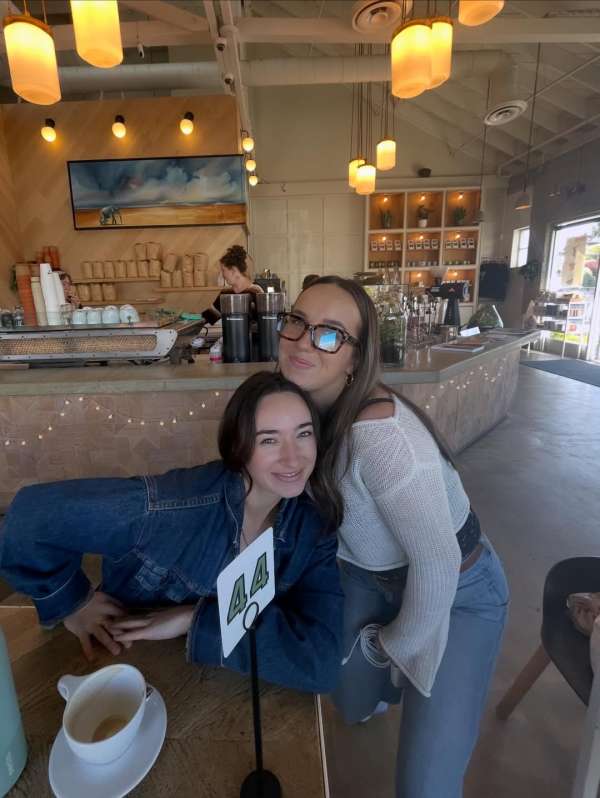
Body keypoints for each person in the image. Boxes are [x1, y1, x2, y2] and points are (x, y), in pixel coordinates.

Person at [277, 275, 509, 797]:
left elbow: (437, 565)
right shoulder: (299, 407)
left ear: (356, 358)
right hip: (367, 576)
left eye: (329, 334)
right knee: (347, 699)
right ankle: (377, 691)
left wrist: (390, 645)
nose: (303, 342)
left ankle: (394, 675)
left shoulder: (383, 441)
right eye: (297, 322)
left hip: (459, 589)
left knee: (425, 785)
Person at [0, 372, 344, 694]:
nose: (293, 458)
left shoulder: (312, 525)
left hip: (222, 687)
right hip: (117, 665)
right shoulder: (170, 507)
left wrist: (194, 619)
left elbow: (323, 663)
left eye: (303, 434)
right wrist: (74, 603)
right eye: (269, 440)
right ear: (239, 447)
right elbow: (30, 516)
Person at [202, 245, 263, 324]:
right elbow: (213, 321)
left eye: (223, 270)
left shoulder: (256, 293)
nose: (222, 275)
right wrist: (210, 307)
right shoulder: (223, 294)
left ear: (234, 271)